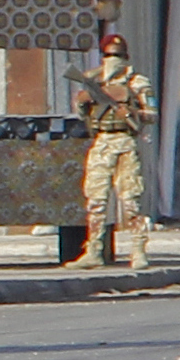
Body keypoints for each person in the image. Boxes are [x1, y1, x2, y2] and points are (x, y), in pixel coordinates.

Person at [70, 32, 156, 269]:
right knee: (95, 201)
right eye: (108, 55)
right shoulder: (94, 80)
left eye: (116, 55)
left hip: (124, 142)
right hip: (101, 143)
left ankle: (138, 250)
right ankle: (93, 250)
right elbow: (82, 114)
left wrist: (133, 113)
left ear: (125, 57)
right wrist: (82, 102)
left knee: (130, 201)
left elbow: (152, 114)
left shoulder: (137, 82)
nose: (112, 60)